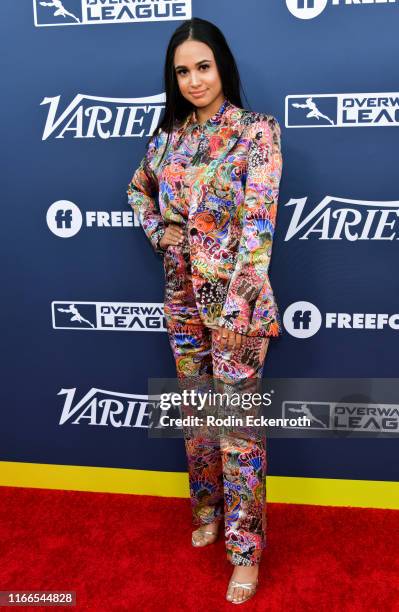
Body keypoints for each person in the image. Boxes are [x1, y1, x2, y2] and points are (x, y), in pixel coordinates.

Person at [127, 16, 283, 605]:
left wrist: (242, 307)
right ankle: (206, 510)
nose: (194, 80)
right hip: (181, 301)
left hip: (236, 306)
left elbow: (260, 228)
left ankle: (246, 553)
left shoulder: (256, 132)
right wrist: (157, 228)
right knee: (198, 421)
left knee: (238, 431)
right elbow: (137, 188)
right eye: (183, 71)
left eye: (203, 66)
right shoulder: (167, 138)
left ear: (223, 67)